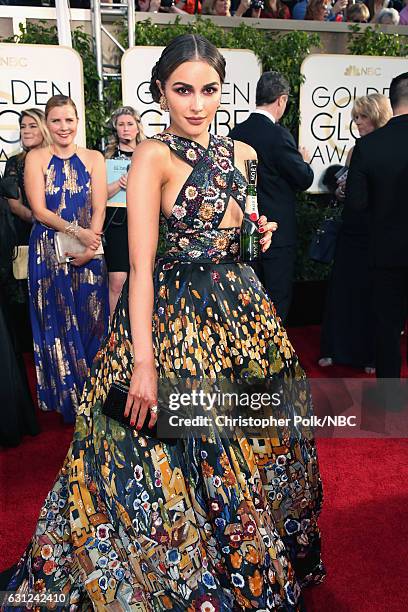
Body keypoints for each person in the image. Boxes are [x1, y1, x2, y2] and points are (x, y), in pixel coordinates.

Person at [4, 35, 324, 609]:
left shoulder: (240, 154)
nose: (197, 104)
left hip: (241, 313)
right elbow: (142, 267)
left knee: (258, 437)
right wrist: (145, 363)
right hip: (176, 318)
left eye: (209, 90)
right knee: (172, 447)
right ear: (161, 94)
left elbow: (238, 228)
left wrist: (254, 234)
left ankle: (248, 551)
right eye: (183, 90)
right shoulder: (154, 155)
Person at [25, 94, 109, 423]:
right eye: (57, 120)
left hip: (90, 248)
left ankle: (92, 394)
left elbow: (100, 206)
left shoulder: (94, 158)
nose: (63, 127)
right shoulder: (36, 158)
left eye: (69, 120)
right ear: (48, 124)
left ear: (78, 122)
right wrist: (79, 232)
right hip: (48, 252)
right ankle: (67, 400)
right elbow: (39, 211)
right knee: (55, 323)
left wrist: (91, 244)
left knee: (93, 319)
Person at [230, 71, 314, 323]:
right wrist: (304, 162)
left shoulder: (236, 132)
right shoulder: (278, 135)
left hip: (243, 227)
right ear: (282, 100)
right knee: (277, 296)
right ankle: (272, 353)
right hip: (276, 231)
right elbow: (303, 179)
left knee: (246, 296)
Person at [320, 94, 392, 373]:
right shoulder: (355, 149)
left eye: (362, 117)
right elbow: (348, 188)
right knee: (343, 289)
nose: (358, 123)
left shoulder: (387, 148)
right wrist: (339, 191)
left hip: (375, 228)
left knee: (370, 292)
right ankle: (335, 349)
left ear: (375, 116)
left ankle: (368, 355)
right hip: (351, 228)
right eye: (355, 117)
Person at [346, 73, 408, 380]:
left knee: (387, 331)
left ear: (393, 101)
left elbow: (356, 205)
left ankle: (387, 407)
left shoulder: (368, 146)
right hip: (387, 251)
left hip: (385, 253)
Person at [105, 106, 145, 315]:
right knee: (117, 280)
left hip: (144, 222)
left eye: (130, 124)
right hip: (116, 223)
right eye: (121, 124)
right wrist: (120, 184)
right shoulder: (105, 158)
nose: (126, 129)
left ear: (138, 128)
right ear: (116, 129)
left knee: (145, 277)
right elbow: (97, 196)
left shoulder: (148, 154)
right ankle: (114, 334)